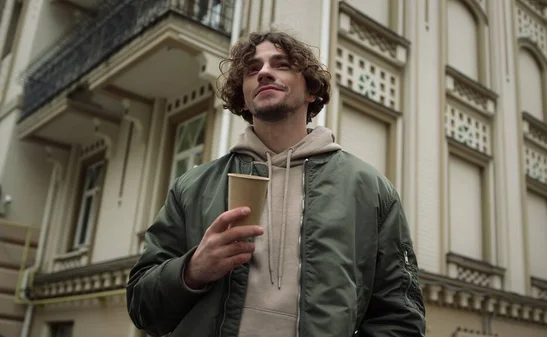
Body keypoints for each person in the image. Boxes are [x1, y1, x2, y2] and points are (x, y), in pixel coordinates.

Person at [126, 30, 426, 337]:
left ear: (311, 91)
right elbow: (142, 308)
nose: (265, 73)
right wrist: (192, 271)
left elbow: (400, 318)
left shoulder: (370, 189)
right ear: (242, 97)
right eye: (253, 70)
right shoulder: (192, 187)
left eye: (281, 64)